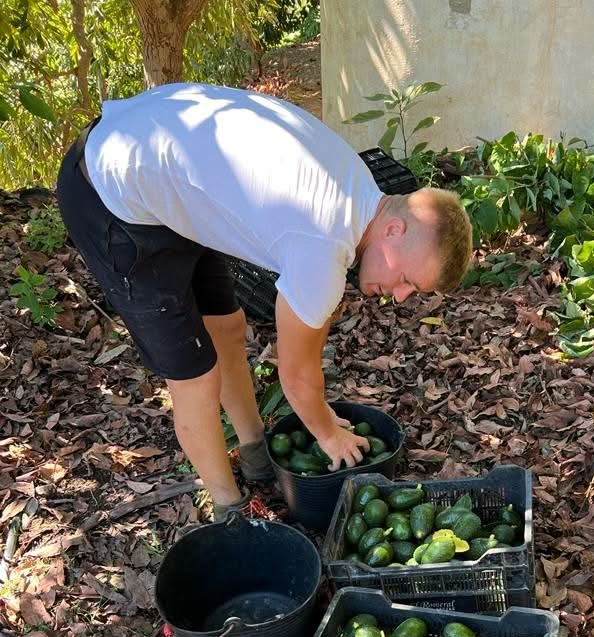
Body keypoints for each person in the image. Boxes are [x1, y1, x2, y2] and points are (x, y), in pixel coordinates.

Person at [56, 82, 472, 520]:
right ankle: (229, 509)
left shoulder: (359, 193)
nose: (401, 296)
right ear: (395, 230)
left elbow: (311, 335)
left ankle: (256, 451)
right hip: (108, 189)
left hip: (167, 174)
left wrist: (320, 415)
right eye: (407, 280)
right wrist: (328, 434)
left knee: (228, 327)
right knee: (195, 376)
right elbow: (297, 376)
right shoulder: (323, 243)